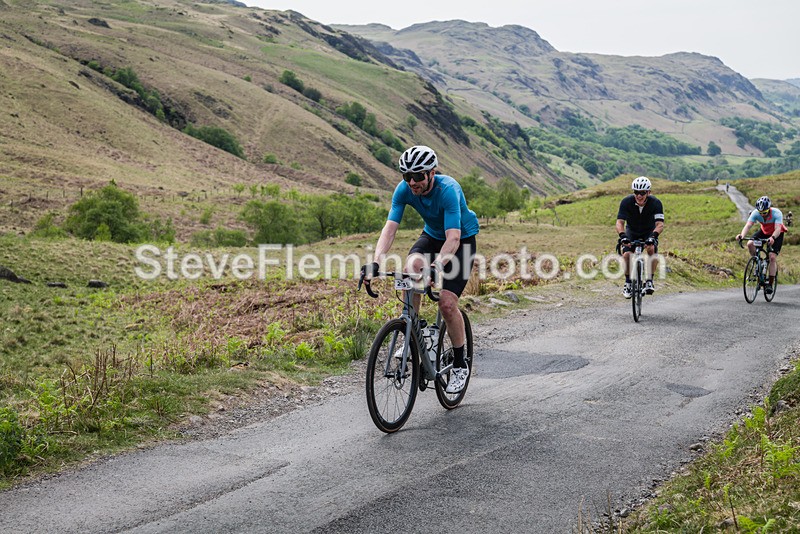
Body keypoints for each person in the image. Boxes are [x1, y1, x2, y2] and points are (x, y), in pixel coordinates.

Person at [362, 145, 480, 393]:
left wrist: (437, 266)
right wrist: (376, 261)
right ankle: (414, 331)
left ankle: (460, 364)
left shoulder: (448, 189)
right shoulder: (404, 189)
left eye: (418, 176)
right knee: (411, 268)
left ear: (431, 173)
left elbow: (454, 238)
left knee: (447, 304)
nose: (412, 182)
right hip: (432, 234)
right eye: (407, 176)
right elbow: (390, 228)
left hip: (460, 239)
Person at [615, 176, 665, 298]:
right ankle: (627, 283)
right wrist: (623, 236)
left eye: (642, 193)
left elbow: (660, 224)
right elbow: (620, 223)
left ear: (648, 192)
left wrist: (653, 236)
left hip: (649, 231)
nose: (639, 196)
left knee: (651, 249)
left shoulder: (656, 203)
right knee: (626, 255)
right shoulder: (626, 202)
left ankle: (649, 281)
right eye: (636, 192)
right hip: (632, 231)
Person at [736, 196, 787, 295]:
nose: (762, 215)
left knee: (772, 257)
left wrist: (772, 238)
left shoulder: (777, 213)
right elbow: (748, 225)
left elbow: (777, 229)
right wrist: (741, 235)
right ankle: (757, 261)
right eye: (760, 213)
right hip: (764, 232)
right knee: (750, 243)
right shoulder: (755, 213)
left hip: (776, 234)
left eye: (764, 213)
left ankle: (770, 285)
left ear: (769, 209)